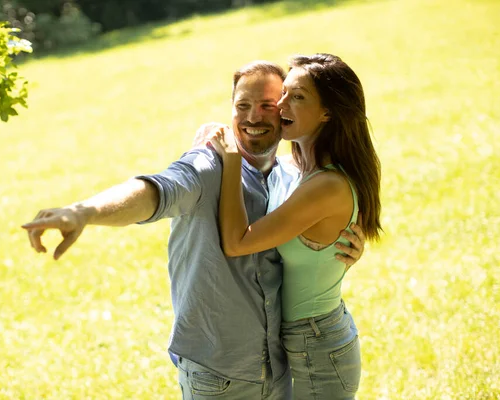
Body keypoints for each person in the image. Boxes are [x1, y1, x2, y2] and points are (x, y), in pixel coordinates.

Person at [21, 60, 366, 399]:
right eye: (242, 105)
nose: (252, 117)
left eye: (268, 104)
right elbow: (155, 191)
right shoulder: (206, 165)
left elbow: (327, 215)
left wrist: (338, 250)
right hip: (220, 377)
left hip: (279, 368)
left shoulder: (292, 174)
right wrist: (83, 212)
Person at [208, 53, 381, 399]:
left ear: (327, 113)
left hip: (319, 343)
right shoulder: (296, 169)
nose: (280, 105)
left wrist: (231, 161)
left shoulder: (326, 186)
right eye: (283, 93)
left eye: (297, 97)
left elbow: (237, 242)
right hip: (301, 338)